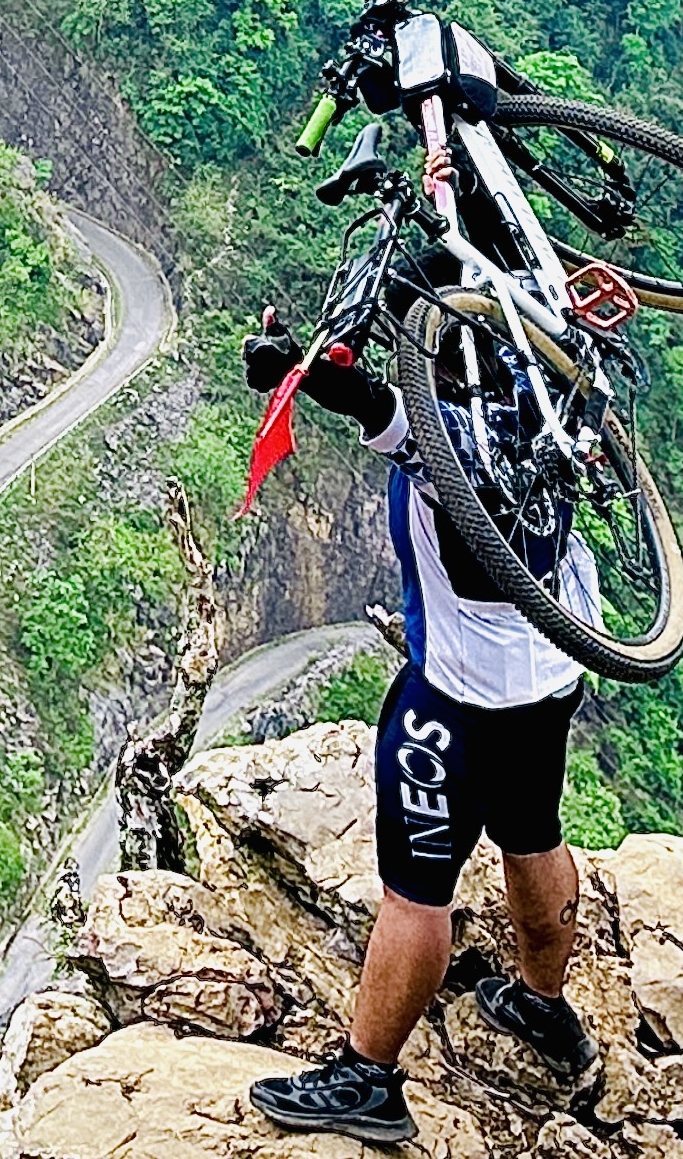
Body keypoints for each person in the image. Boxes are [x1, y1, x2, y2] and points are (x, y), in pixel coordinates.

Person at [238, 303, 597, 1143]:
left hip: (458, 700)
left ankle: (370, 1078)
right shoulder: (553, 396)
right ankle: (543, 1008)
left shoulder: (445, 445)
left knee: (417, 891)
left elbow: (363, 400)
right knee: (532, 833)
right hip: (553, 673)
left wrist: (292, 364)